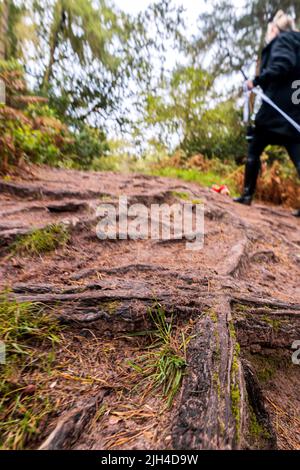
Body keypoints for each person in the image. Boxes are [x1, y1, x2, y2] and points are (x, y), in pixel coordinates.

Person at [234, 10, 300, 217]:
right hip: (294, 113)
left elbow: (282, 64)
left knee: (254, 147)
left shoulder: (282, 41)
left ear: (274, 29)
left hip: (276, 110)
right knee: (298, 156)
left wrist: (258, 79)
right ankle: (246, 194)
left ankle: (246, 195)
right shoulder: (297, 44)